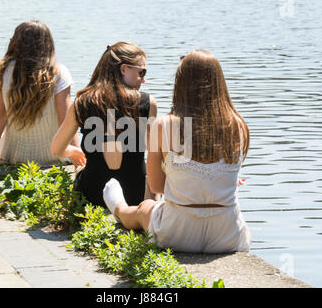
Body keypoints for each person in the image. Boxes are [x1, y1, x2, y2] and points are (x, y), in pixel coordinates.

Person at [102, 49, 251, 253]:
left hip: (177, 233)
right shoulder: (238, 125)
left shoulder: (163, 125)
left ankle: (117, 206)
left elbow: (156, 186)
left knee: (144, 208)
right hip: (228, 235)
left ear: (180, 84)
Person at [51, 42, 158, 207]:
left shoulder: (82, 102)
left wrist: (73, 151)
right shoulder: (147, 103)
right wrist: (151, 201)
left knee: (82, 169)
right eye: (141, 71)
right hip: (134, 195)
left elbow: (56, 149)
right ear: (123, 69)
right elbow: (154, 155)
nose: (143, 79)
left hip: (92, 196)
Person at [0, 20, 78, 175]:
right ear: (48, 44)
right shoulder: (59, 73)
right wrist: (77, 161)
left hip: (13, 157)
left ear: (15, 43)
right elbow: (66, 122)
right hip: (54, 157)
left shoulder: (2, 71)